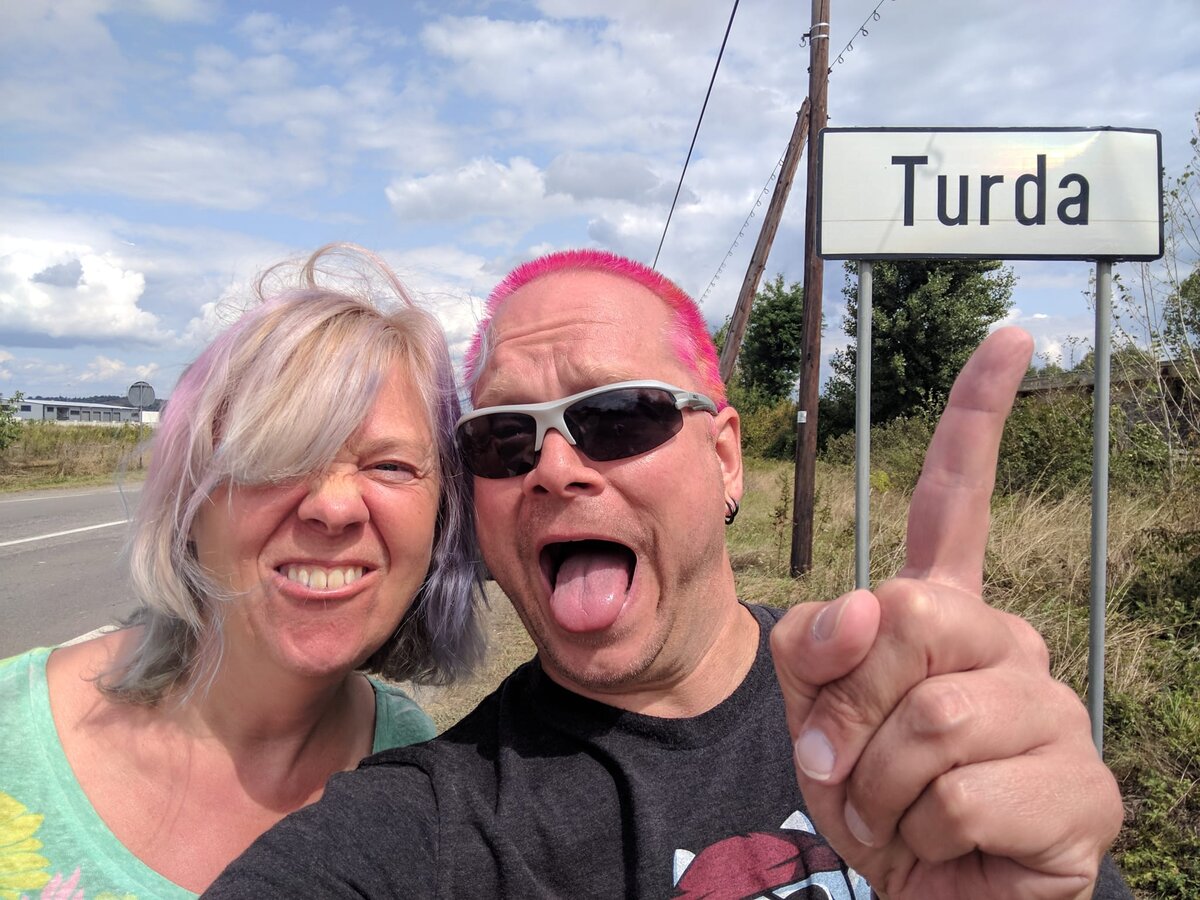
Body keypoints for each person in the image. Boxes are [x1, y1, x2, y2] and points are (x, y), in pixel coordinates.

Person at [205, 249, 1130, 899]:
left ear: (726, 459)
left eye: (619, 415)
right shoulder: (429, 821)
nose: (556, 467)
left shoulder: (904, 727)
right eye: (502, 437)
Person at [0, 244, 485, 898]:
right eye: (279, 457)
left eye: (390, 466)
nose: (335, 507)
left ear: (439, 520)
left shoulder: (414, 772)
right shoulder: (12, 736)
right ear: (188, 503)